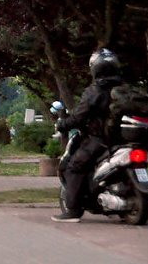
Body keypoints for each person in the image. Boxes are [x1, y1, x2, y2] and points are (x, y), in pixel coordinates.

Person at [52, 48, 124, 223]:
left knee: (74, 166)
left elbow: (79, 116)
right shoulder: (124, 89)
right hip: (123, 140)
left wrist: (63, 124)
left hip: (100, 140)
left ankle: (73, 210)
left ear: (95, 69)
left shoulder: (95, 91)